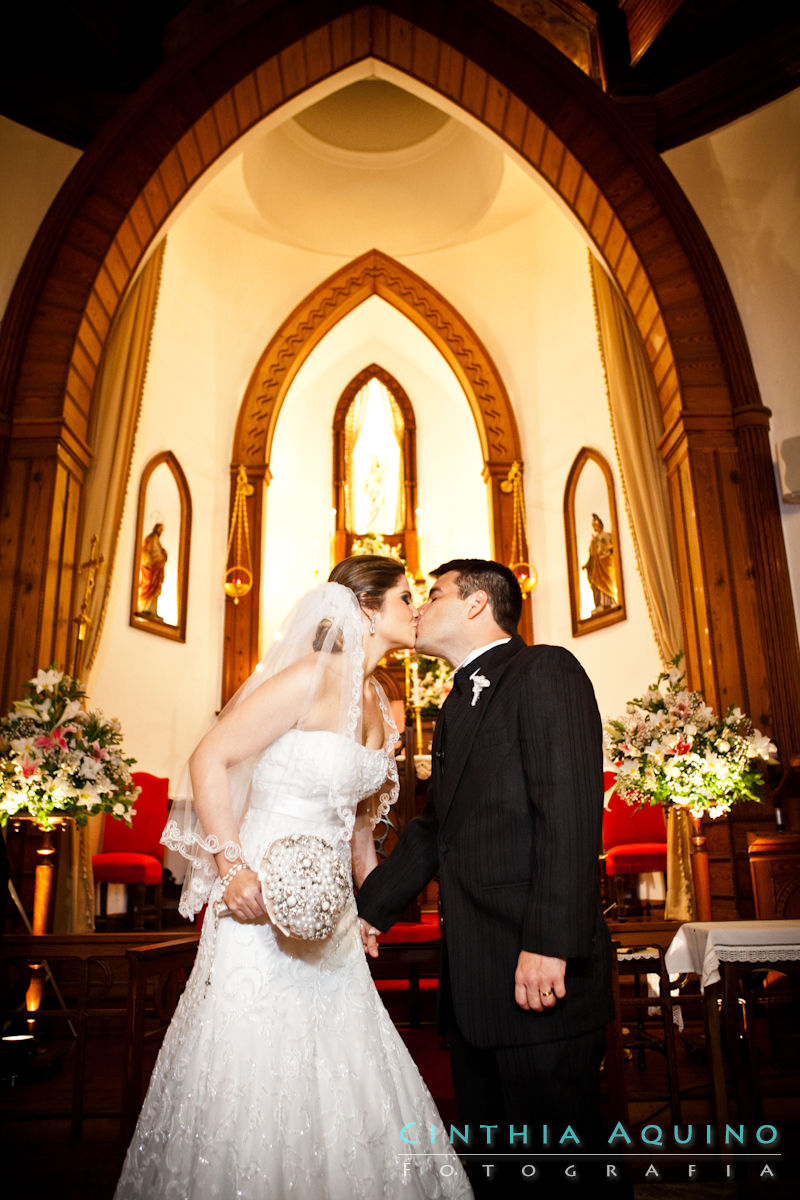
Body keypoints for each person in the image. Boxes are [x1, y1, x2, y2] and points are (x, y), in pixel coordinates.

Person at [114, 555, 472, 1200]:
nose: (415, 611)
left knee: (343, 1043)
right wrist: (231, 868)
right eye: (404, 599)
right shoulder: (310, 677)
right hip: (259, 888)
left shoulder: (378, 703)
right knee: (255, 1040)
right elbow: (209, 758)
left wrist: (368, 908)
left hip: (328, 905)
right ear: (366, 609)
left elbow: (360, 829)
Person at [357, 560, 621, 1198]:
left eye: (435, 594)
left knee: (563, 1167)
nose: (419, 607)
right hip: (477, 981)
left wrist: (550, 943)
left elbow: (570, 815)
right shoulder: (457, 701)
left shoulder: (544, 672)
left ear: (477, 605)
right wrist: (371, 909)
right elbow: (436, 829)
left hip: (538, 971)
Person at [583, 513, 617, 613]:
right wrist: (586, 565)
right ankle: (600, 604)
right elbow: (592, 555)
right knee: (595, 582)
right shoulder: (593, 540)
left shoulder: (606, 535)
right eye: (594, 525)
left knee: (606, 582)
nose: (595, 527)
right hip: (596, 566)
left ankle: (609, 601)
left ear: (600, 524)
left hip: (605, 564)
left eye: (596, 524)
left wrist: (605, 549)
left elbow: (612, 547)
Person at [137, 521, 168, 617]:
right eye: (160, 529)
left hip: (158, 569)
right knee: (148, 587)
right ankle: (145, 608)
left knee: (155, 591)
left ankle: (152, 610)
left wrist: (164, 555)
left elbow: (160, 552)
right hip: (151, 568)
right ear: (156, 528)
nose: (161, 532)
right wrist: (151, 563)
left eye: (162, 530)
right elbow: (145, 553)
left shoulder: (158, 541)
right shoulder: (149, 539)